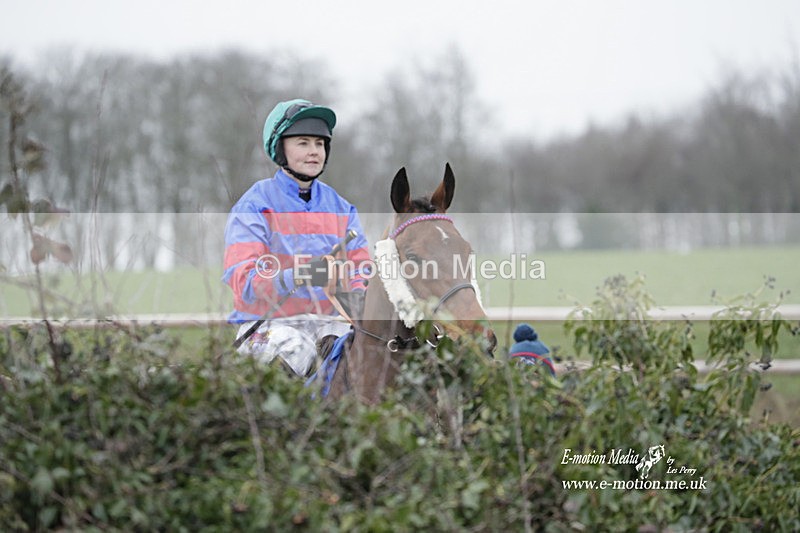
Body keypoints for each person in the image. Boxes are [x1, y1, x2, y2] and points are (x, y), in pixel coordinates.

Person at [222, 98, 370, 376]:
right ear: (281, 149)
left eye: (319, 143)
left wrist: (360, 292)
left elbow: (362, 269)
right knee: (297, 350)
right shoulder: (254, 205)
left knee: (368, 351)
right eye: (303, 143)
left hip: (328, 323)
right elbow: (244, 282)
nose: (314, 152)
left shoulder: (342, 207)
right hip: (267, 328)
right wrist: (301, 275)